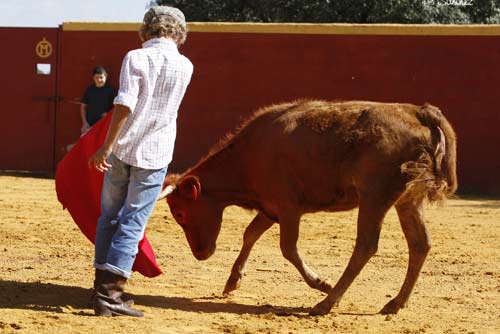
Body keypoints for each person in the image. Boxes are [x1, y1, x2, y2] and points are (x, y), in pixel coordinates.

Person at [87, 5, 193, 317]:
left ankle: (101, 288)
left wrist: (107, 146)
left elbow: (124, 105)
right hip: (155, 153)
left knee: (109, 218)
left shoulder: (135, 56)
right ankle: (110, 294)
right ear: (181, 35)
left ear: (143, 32)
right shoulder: (185, 65)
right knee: (132, 222)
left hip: (122, 151)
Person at [80, 66, 117, 134]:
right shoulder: (89, 90)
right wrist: (84, 123)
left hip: (105, 125)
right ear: (93, 78)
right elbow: (83, 107)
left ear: (106, 76)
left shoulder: (111, 90)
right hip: (90, 124)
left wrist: (108, 114)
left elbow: (116, 107)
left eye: (101, 77)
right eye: (97, 77)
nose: (99, 80)